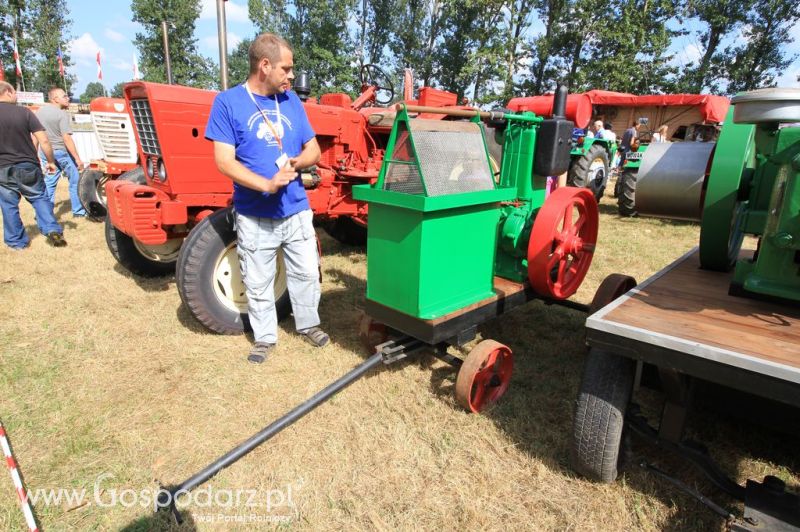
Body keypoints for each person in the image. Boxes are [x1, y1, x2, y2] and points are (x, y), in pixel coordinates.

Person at [205, 33, 327, 364]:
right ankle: (265, 338)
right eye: (286, 69)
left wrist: (297, 163)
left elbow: (313, 149)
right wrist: (266, 184)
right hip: (254, 213)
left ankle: (309, 325)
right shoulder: (228, 103)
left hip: (296, 210)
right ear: (264, 65)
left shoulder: (291, 102)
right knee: (258, 281)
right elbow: (223, 161)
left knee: (305, 272)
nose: (291, 76)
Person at [0, 81, 66, 249]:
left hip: (2, 167)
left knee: (8, 205)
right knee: (39, 197)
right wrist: (50, 161)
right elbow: (43, 139)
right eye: (14, 92)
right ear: (7, 92)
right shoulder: (25, 113)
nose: (16, 95)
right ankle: (52, 229)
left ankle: (16, 242)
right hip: (27, 164)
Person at [36, 87, 86, 217]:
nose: (67, 98)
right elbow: (66, 138)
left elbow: (35, 135)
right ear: (55, 99)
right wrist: (77, 158)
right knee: (75, 180)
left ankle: (44, 212)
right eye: (64, 96)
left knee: (49, 182)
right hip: (61, 152)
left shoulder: (40, 112)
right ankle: (78, 211)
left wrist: (35, 152)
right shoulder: (61, 114)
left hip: (46, 153)